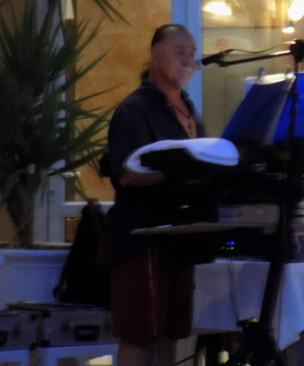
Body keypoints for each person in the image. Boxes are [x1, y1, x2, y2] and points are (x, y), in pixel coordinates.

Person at [107, 23, 205, 366]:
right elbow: (126, 175)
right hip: (142, 240)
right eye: (179, 51)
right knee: (140, 335)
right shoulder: (134, 110)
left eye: (192, 53)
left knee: (172, 333)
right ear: (154, 54)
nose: (188, 60)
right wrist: (178, 169)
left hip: (181, 237)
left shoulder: (188, 109)